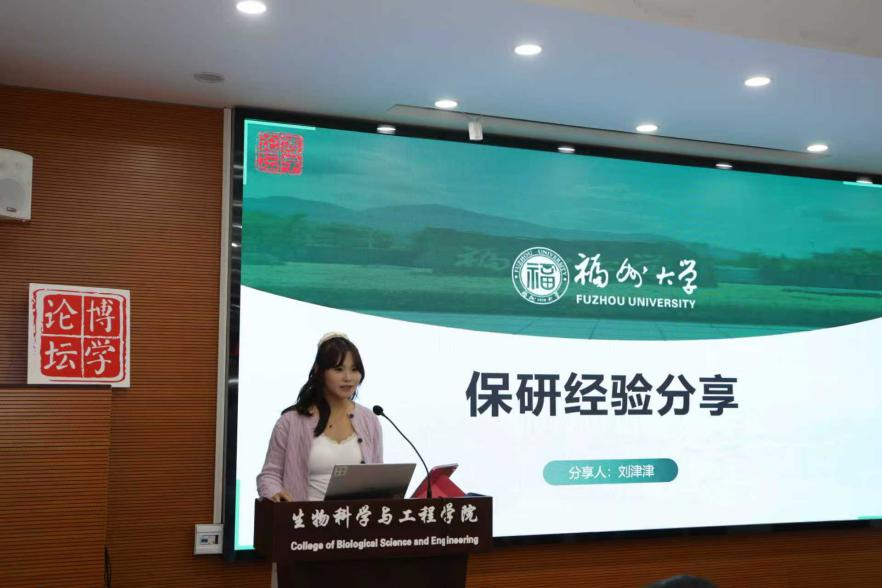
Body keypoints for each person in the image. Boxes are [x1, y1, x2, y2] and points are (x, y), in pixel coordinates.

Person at [257, 332, 383, 502]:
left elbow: (378, 478)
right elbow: (269, 475)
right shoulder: (290, 422)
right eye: (338, 369)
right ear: (319, 370)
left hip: (355, 517)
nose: (348, 378)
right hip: (303, 516)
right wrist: (274, 493)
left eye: (354, 370)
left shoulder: (370, 420)